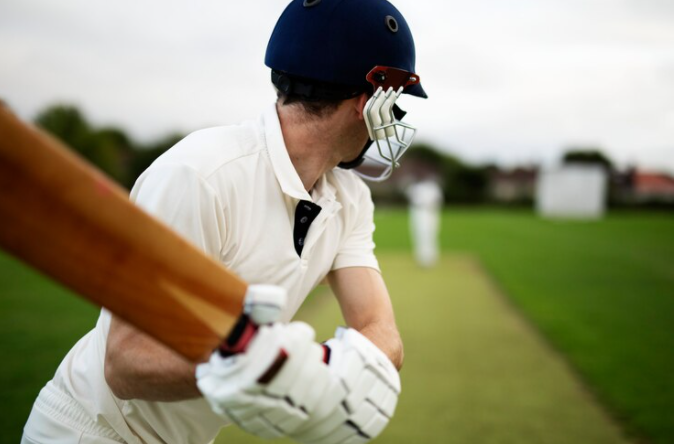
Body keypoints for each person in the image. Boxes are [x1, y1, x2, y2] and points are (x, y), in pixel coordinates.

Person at [21, 0, 427, 443]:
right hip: (93, 430)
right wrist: (261, 369)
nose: (394, 121)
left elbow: (381, 331)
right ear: (369, 102)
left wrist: (321, 369)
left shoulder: (349, 198)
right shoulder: (200, 175)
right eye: (397, 104)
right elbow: (125, 365)